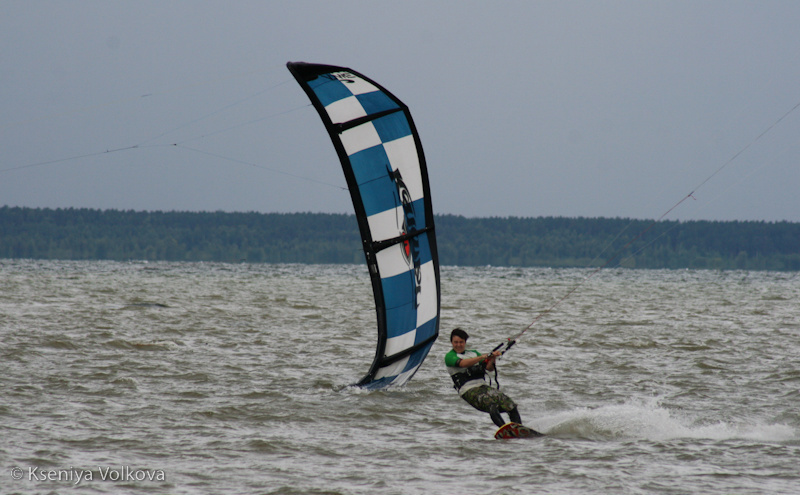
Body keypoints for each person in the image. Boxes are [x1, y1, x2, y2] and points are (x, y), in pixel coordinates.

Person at [444, 327, 522, 428]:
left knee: (511, 404)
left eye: (461, 342)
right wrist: (483, 356)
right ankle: (505, 429)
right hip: (467, 389)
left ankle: (518, 429)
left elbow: (489, 368)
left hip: (483, 386)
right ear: (451, 342)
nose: (458, 345)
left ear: (465, 342)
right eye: (456, 342)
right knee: (491, 405)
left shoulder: (473, 353)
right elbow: (463, 364)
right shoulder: (450, 356)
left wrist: (492, 358)